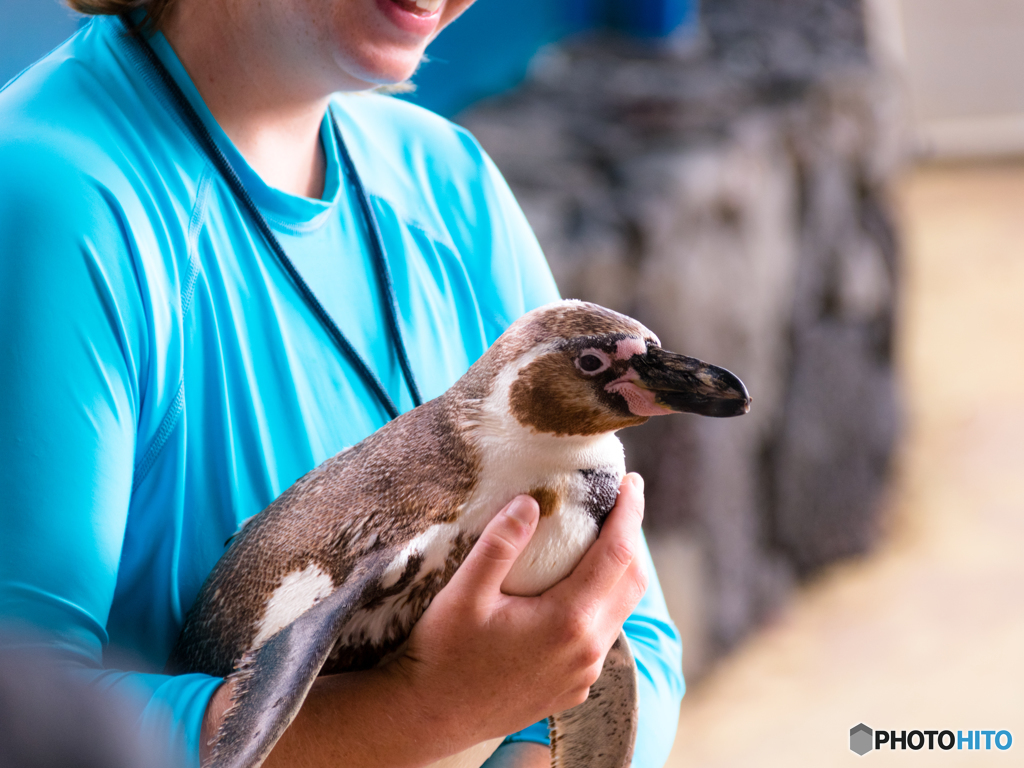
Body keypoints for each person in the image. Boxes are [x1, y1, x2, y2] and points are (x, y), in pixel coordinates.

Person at [0, 0, 684, 766]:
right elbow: (19, 717)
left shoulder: (447, 184)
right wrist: (419, 714)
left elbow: (625, 640)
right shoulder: (50, 199)